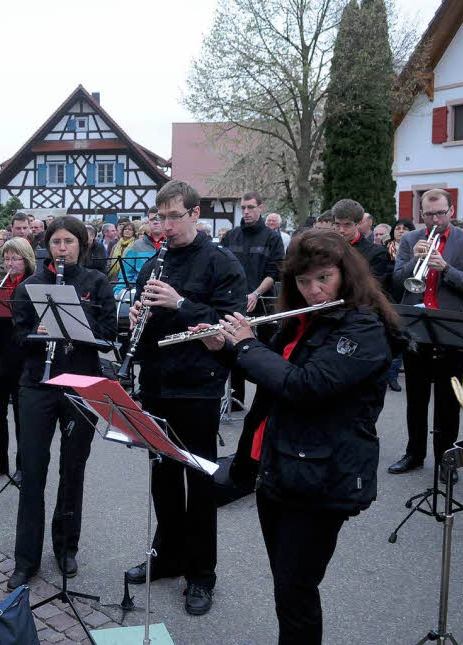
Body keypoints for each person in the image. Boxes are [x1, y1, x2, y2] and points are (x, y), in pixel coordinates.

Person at [196, 230, 405, 644]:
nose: (314, 290)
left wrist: (247, 346)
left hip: (324, 477)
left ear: (346, 274)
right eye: (304, 282)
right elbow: (266, 366)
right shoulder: (305, 320)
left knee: (296, 590)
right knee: (286, 585)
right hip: (282, 467)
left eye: (323, 278)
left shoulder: (363, 328)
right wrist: (223, 345)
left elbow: (305, 385)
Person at [123, 179, 247, 616]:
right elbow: (145, 322)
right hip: (156, 383)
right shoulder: (154, 261)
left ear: (196, 214)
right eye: (161, 217)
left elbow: (230, 322)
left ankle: (202, 573)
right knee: (162, 479)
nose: (166, 225)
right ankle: (169, 556)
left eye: (175, 216)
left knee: (198, 482)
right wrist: (138, 314)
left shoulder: (220, 261)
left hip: (197, 386)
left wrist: (179, 304)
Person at [7, 217, 117, 590]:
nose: (62, 248)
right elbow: (18, 338)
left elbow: (108, 335)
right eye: (56, 241)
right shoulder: (30, 286)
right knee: (33, 471)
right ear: (48, 245)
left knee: (73, 470)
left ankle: (66, 547)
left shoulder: (96, 284)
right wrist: (36, 335)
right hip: (38, 385)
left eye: (69, 241)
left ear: (81, 245)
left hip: (80, 383)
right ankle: (26, 560)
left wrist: (77, 324)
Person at [389, 188, 463, 475]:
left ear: (451, 211)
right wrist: (414, 262)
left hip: (451, 329)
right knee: (415, 399)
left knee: (447, 401)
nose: (435, 219)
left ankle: (446, 459)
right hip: (417, 329)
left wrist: (446, 269)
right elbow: (396, 281)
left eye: (441, 213)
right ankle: (414, 454)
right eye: (429, 214)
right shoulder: (410, 239)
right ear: (421, 214)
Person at [219, 191, 284, 410]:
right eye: (243, 207)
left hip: (261, 303)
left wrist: (255, 293)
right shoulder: (230, 236)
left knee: (264, 353)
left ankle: (266, 402)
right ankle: (235, 401)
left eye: (250, 207)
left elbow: (274, 272)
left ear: (260, 208)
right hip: (234, 303)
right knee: (233, 351)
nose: (246, 212)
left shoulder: (272, 237)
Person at [0, 237, 36, 484]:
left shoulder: (33, 285)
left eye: (16, 258)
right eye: (7, 258)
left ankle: (23, 465)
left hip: (22, 358)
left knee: (21, 418)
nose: (10, 263)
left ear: (27, 261)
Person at [331, 199, 389, 287]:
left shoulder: (377, 252)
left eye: (347, 225)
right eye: (337, 225)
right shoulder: (328, 249)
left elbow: (374, 287)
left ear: (358, 223)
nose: (341, 230)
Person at [116, 215, 165, 295]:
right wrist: (118, 293)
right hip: (140, 291)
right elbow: (126, 274)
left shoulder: (174, 243)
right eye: (152, 219)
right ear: (148, 222)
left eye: (159, 218)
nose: (156, 222)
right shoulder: (137, 245)